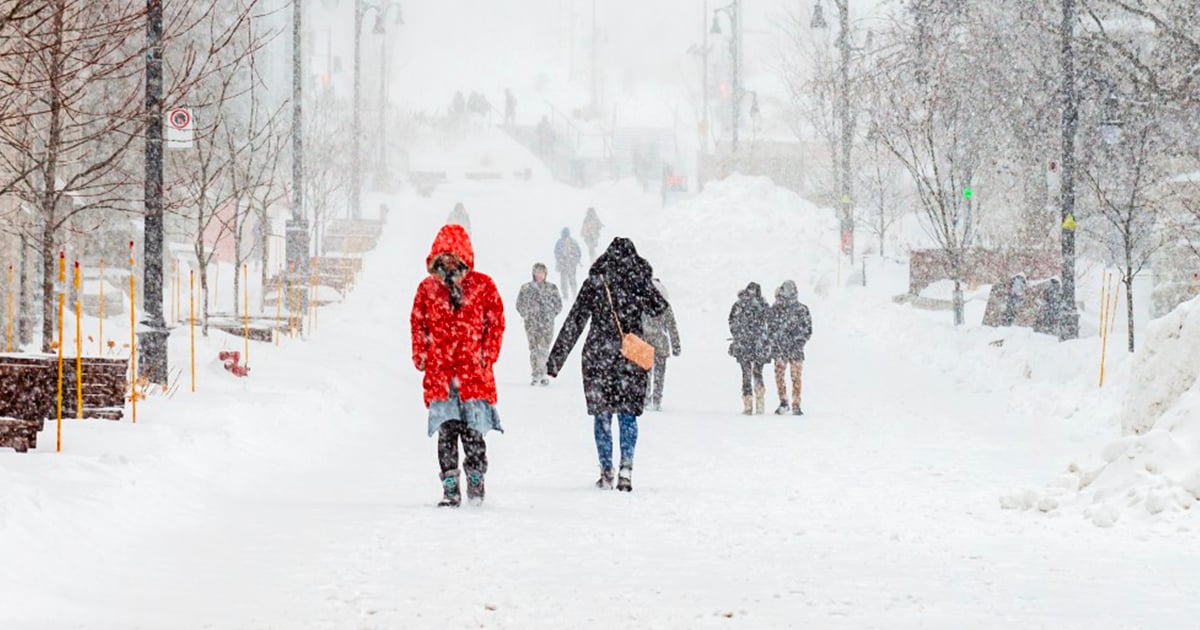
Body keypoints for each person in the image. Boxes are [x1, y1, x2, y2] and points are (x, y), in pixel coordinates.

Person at [546, 237, 668, 492]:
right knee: (627, 414)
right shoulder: (638, 280)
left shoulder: (596, 281)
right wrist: (644, 281)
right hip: (630, 356)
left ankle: (606, 470)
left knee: (602, 415)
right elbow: (660, 307)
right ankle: (626, 467)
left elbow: (575, 320)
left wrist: (555, 360)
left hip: (598, 356)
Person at [410, 224, 505, 507]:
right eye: (445, 256)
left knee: (473, 431)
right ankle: (450, 486)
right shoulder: (427, 289)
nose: (449, 262)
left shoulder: (483, 285)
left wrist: (487, 353)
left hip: (474, 374)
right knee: (447, 431)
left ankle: (476, 478)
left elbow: (496, 322)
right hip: (441, 374)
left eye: (454, 256)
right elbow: (418, 323)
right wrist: (421, 354)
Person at [768, 280, 812, 416]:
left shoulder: (796, 310)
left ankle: (790, 403)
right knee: (792, 377)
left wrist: (793, 342)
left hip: (788, 349)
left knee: (786, 376)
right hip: (790, 349)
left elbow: (807, 330)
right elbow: (770, 328)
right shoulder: (780, 309)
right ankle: (791, 403)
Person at [516, 262, 562, 386]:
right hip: (531, 323)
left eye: (542, 272)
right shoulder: (526, 288)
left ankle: (543, 374)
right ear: (533, 273)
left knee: (544, 349)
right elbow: (519, 304)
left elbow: (558, 305)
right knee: (534, 349)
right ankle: (535, 374)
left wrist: (550, 315)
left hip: (547, 324)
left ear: (545, 274)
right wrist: (527, 314)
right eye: (537, 272)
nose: (539, 275)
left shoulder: (552, 288)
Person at [729, 282, 770, 415]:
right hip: (759, 345)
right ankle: (760, 402)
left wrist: (738, 335)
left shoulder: (739, 305)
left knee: (745, 374)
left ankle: (748, 404)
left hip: (743, 345)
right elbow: (770, 324)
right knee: (758, 373)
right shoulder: (763, 305)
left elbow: (731, 322)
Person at [641, 278, 680, 411]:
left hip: (644, 342)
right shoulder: (665, 307)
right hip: (661, 343)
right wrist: (676, 345)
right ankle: (657, 399)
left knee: (645, 371)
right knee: (659, 372)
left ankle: (645, 398)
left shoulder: (641, 304)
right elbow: (672, 327)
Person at [554, 227, 582, 300]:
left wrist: (574, 260)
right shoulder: (566, 242)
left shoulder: (570, 242)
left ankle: (573, 294)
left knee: (569, 280)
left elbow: (578, 252)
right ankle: (568, 295)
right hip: (565, 264)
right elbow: (556, 253)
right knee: (567, 280)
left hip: (570, 264)